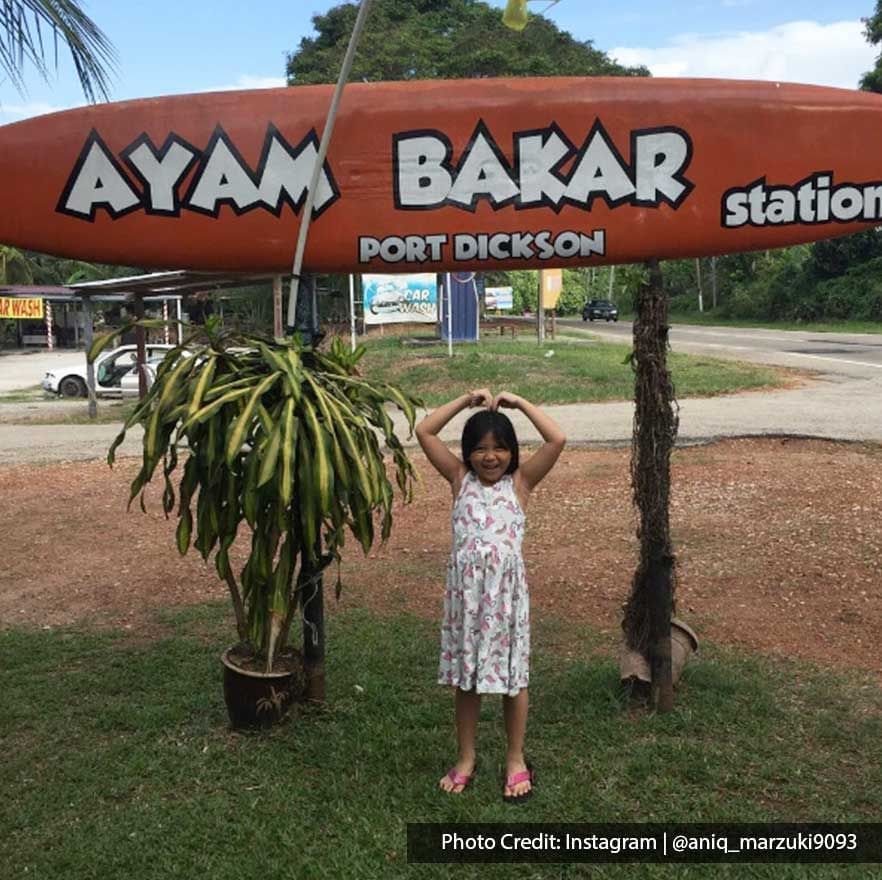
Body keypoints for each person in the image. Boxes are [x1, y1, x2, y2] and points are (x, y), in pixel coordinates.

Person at [415, 388, 566, 803]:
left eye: (500, 448)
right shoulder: (458, 479)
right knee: (468, 681)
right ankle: (466, 758)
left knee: (514, 681)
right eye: (480, 448)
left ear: (512, 453)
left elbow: (557, 439)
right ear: (467, 453)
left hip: (505, 602)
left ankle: (515, 759)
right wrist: (465, 400)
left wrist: (520, 403)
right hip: (467, 601)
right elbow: (424, 431)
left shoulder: (521, 483)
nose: (490, 456)